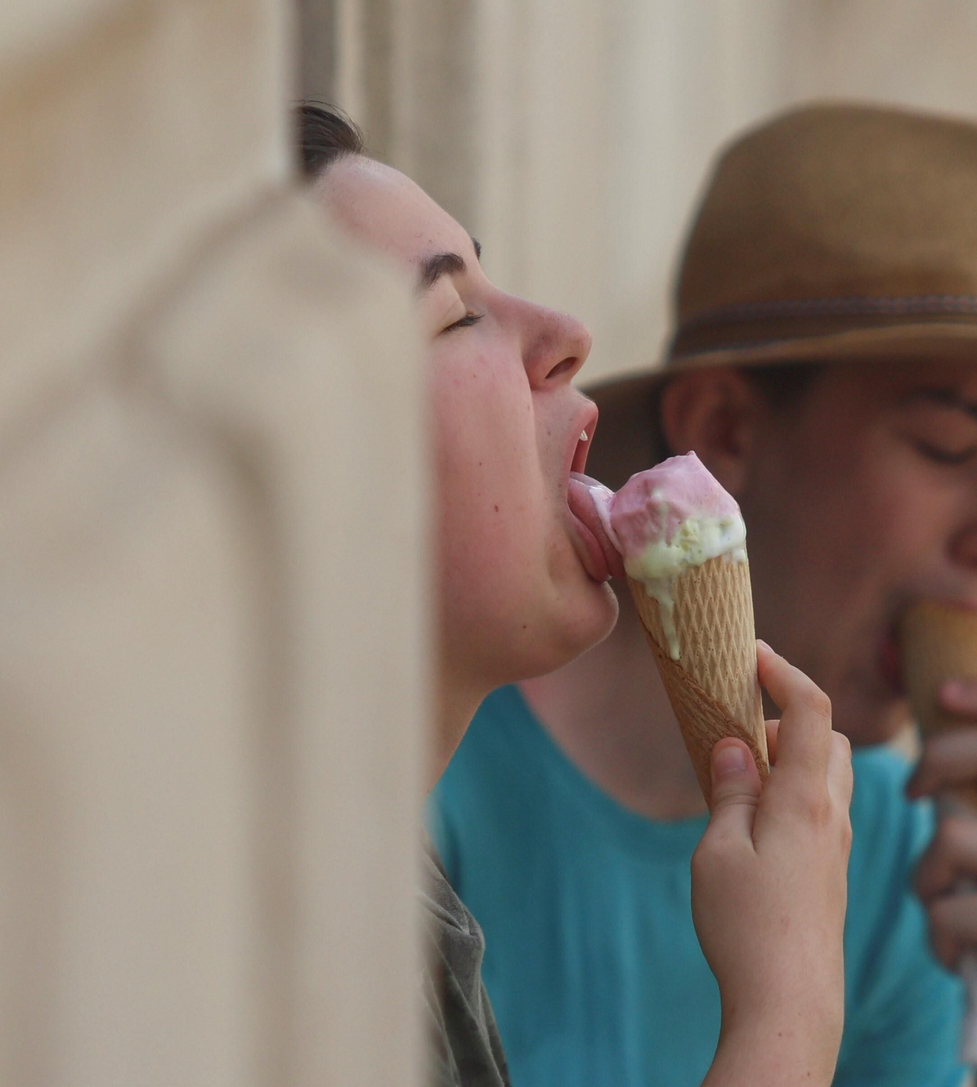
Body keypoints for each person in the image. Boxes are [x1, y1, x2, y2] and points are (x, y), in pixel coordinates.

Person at [430, 102, 977, 1087]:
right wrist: (787, 1006)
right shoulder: (432, 779)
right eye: (950, 448)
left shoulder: (888, 847)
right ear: (724, 429)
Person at [293, 103, 856, 1087]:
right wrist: (789, 1005)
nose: (568, 336)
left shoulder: (378, 893)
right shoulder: (284, 960)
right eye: (456, 314)